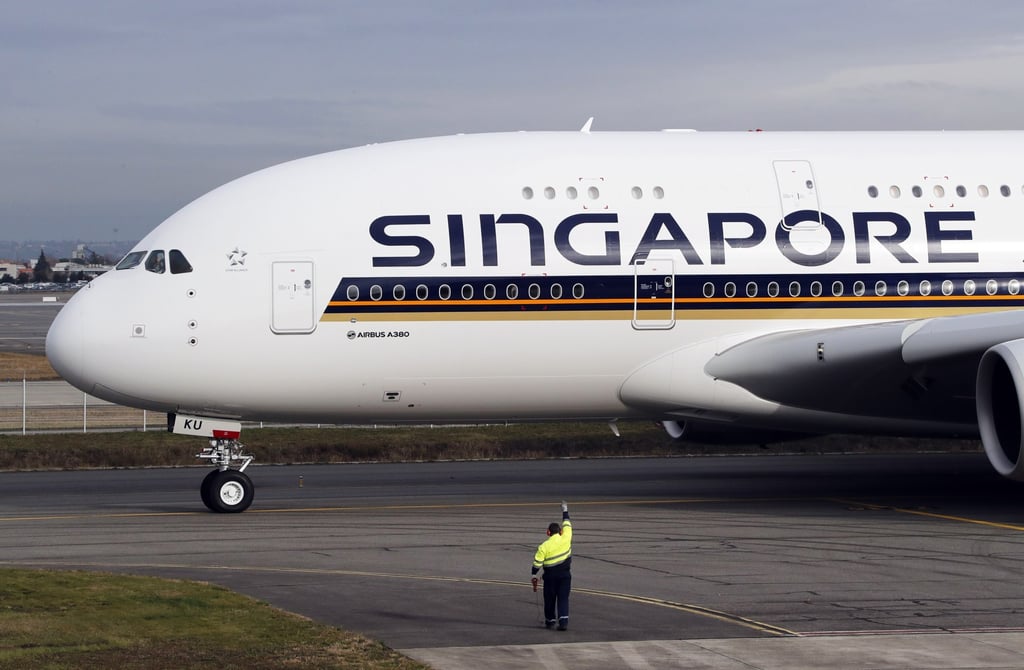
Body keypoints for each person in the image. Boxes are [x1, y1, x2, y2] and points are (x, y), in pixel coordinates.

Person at [531, 500, 573, 630]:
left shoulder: (544, 546)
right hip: (565, 575)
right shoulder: (566, 537)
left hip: (550, 577)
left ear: (548, 533)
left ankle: (550, 620)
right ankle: (563, 621)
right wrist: (564, 510)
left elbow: (537, 563)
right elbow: (567, 524)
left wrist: (534, 574)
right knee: (563, 598)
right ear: (560, 532)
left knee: (549, 598)